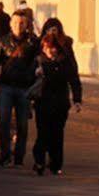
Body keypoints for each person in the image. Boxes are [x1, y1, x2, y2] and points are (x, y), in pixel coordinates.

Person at [0, 11, 39, 168]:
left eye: (21, 23)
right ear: (10, 24)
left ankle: (19, 157)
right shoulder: (3, 41)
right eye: (15, 23)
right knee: (3, 122)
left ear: (26, 25)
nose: (18, 26)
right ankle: (4, 155)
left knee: (22, 124)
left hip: (24, 88)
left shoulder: (33, 42)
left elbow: (39, 63)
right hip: (6, 86)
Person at [31, 18, 83, 176]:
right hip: (42, 101)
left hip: (60, 101)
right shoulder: (38, 59)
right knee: (43, 132)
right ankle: (39, 160)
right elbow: (27, 77)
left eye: (55, 30)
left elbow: (74, 77)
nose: (51, 51)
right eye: (49, 30)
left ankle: (55, 163)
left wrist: (77, 100)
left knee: (57, 133)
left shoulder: (65, 58)